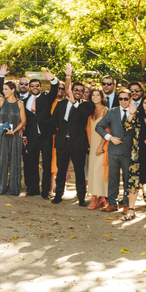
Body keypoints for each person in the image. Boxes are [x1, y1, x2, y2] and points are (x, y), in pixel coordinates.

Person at [96, 90, 138, 215]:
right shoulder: (112, 112)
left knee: (127, 179)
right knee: (113, 178)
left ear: (130, 99)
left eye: (126, 99)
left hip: (129, 150)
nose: (123, 101)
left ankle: (126, 203)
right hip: (114, 150)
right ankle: (113, 204)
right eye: (120, 99)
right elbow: (99, 126)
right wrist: (110, 138)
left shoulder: (136, 112)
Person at [52, 70, 91, 206]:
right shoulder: (61, 104)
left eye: (81, 90)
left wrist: (75, 103)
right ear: (72, 90)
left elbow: (85, 115)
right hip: (62, 142)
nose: (78, 92)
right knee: (61, 170)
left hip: (78, 143)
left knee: (79, 171)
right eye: (76, 90)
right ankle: (58, 195)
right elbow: (55, 120)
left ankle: (81, 198)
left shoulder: (85, 105)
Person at [22, 69, 60, 198]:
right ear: (29, 88)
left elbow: (54, 89)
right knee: (32, 163)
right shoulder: (25, 100)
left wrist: (52, 79)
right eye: (32, 85)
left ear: (40, 87)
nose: (34, 87)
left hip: (46, 136)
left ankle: (45, 191)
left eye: (37, 85)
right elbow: (25, 120)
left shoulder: (46, 98)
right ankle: (34, 189)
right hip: (31, 137)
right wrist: (25, 135)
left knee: (46, 164)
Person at [0, 80, 26, 196]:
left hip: (15, 136)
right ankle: (0, 188)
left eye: (6, 89)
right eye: (3, 89)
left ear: (13, 90)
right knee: (1, 160)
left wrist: (14, 131)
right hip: (2, 136)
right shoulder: (0, 101)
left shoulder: (20, 104)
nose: (4, 91)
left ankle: (13, 188)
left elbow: (23, 121)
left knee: (15, 161)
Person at [85, 89, 110, 209]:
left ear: (102, 97)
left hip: (103, 144)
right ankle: (102, 198)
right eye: (93, 95)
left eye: (98, 95)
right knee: (94, 172)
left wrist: (101, 146)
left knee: (97, 170)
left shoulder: (106, 111)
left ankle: (94, 197)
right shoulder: (91, 111)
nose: (95, 97)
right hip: (93, 145)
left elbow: (108, 130)